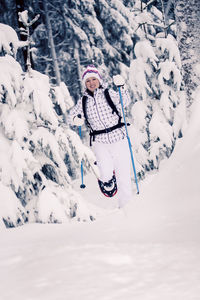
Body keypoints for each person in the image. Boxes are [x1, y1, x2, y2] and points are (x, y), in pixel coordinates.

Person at [69, 65, 133, 208]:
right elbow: (72, 115)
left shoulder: (108, 93)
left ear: (99, 80)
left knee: (124, 177)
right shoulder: (84, 101)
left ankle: (126, 208)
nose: (91, 83)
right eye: (87, 81)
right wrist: (75, 119)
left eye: (93, 79)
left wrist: (121, 86)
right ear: (85, 84)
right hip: (100, 142)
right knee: (105, 174)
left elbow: (125, 101)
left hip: (118, 137)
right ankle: (109, 176)